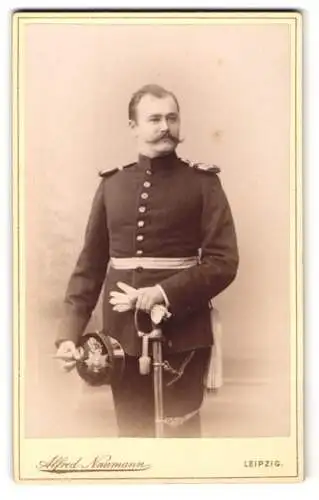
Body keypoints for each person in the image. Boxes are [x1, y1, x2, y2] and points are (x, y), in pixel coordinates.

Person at [55, 83, 239, 438]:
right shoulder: (112, 185)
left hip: (184, 331)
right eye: (154, 119)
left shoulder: (203, 183)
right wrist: (68, 334)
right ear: (133, 126)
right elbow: (90, 267)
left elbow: (223, 261)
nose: (165, 127)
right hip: (120, 339)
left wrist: (163, 292)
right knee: (133, 434)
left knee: (179, 437)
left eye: (172, 117)